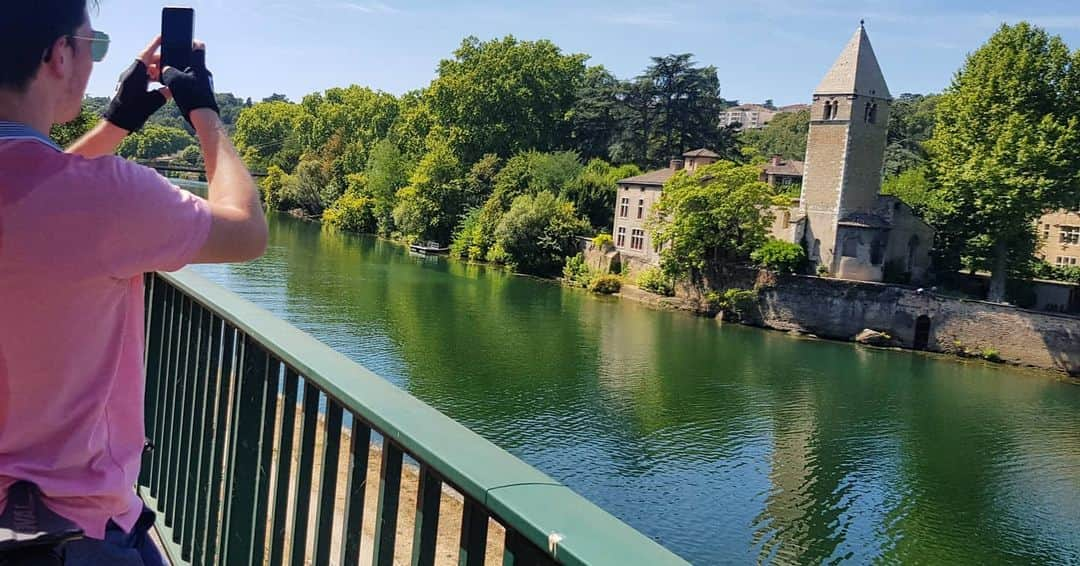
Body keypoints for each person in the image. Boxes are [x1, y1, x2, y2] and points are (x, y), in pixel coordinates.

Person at [0, 1, 267, 564]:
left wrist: (115, 124)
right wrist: (205, 113)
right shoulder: (110, 196)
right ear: (57, 56)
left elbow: (29, 192)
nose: (93, 64)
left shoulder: (74, 195)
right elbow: (247, 231)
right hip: (74, 530)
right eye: (92, 48)